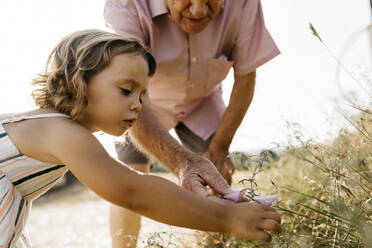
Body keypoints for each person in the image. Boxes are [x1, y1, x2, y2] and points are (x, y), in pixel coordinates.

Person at [0, 29, 281, 248]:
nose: (137, 104)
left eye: (142, 94)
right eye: (125, 90)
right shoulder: (60, 131)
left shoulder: (57, 129)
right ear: (78, 81)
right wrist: (227, 218)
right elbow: (131, 190)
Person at [104, 0, 280, 246]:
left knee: (217, 174)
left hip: (202, 100)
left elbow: (246, 75)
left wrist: (218, 150)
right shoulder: (126, 4)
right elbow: (125, 87)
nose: (198, 10)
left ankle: (209, 243)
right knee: (129, 178)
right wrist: (183, 163)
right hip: (144, 100)